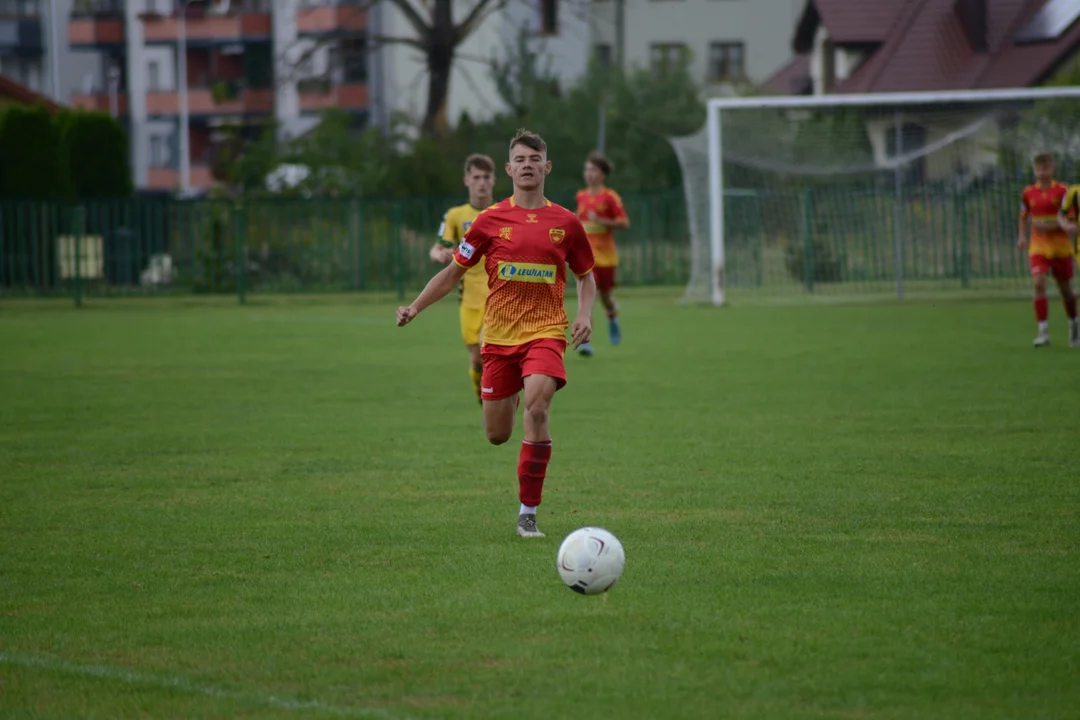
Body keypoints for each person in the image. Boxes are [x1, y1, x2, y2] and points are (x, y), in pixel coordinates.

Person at [397, 129, 597, 538]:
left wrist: (585, 315)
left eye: (534, 158)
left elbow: (586, 276)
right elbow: (453, 272)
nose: (527, 165)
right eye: (520, 159)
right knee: (497, 434)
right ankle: (519, 387)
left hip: (546, 332)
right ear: (509, 168)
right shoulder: (489, 222)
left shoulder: (566, 222)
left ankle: (528, 513)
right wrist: (415, 307)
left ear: (547, 167)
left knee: (538, 409)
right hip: (500, 339)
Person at [429, 154, 496, 403]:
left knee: (488, 351)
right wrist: (439, 254)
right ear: (467, 181)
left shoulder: (503, 212)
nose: (481, 183)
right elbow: (437, 247)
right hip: (468, 298)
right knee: (477, 359)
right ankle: (483, 398)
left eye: (486, 177)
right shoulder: (456, 215)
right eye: (476, 177)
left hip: (498, 297)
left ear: (494, 180)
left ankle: (495, 402)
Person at [1018, 153, 1078, 347]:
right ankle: (1043, 332)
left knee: (1066, 290)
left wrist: (1054, 226)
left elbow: (1071, 219)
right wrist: (1022, 236)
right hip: (1038, 246)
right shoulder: (1028, 192)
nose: (1042, 172)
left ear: (1052, 169)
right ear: (1034, 170)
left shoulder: (1063, 191)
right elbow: (1023, 215)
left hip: (1060, 247)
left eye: (1046, 168)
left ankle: (1074, 326)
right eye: (1038, 169)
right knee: (1038, 283)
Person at [574, 151, 630, 357]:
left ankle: (613, 317)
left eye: (593, 170)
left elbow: (624, 223)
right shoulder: (581, 196)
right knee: (588, 295)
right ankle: (585, 341)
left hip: (607, 258)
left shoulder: (610, 197)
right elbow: (580, 223)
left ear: (603, 174)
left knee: (605, 297)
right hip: (588, 258)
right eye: (587, 169)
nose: (589, 174)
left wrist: (601, 220)